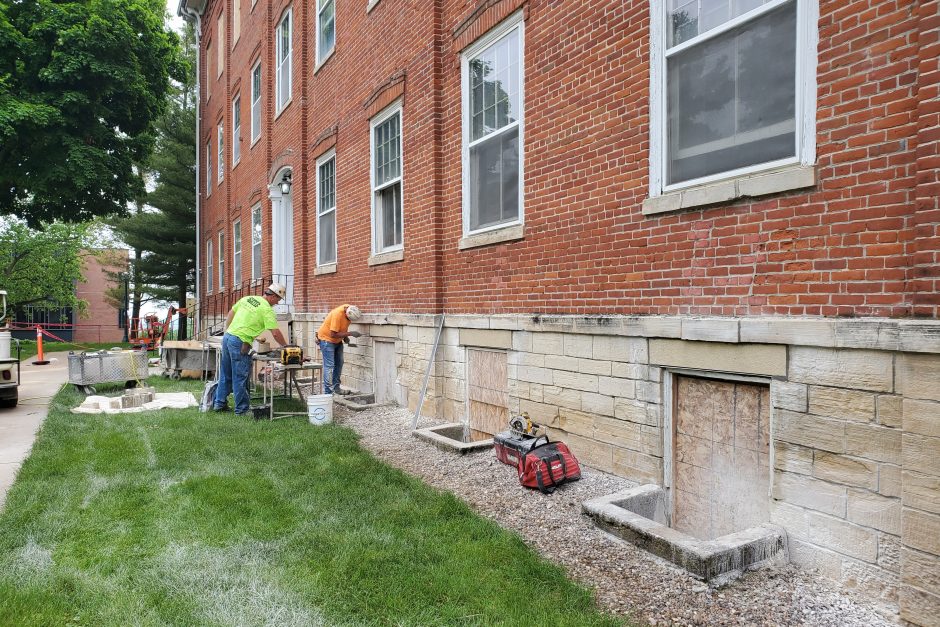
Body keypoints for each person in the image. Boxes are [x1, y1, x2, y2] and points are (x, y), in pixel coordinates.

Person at [213, 282, 289, 415]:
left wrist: (228, 331)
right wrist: (286, 347)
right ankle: (241, 410)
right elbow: (275, 333)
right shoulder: (266, 309)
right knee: (240, 376)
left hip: (228, 337)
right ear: (273, 296)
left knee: (226, 373)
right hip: (240, 341)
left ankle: (219, 404)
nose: (277, 303)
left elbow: (231, 313)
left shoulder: (247, 299)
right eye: (278, 300)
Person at [317, 304, 362, 395]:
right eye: (349, 319)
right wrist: (350, 333)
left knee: (339, 363)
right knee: (329, 366)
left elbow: (342, 327)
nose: (349, 321)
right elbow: (333, 334)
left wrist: (345, 337)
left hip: (337, 341)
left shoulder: (349, 309)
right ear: (346, 314)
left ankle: (336, 388)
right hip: (327, 340)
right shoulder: (337, 314)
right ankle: (328, 392)